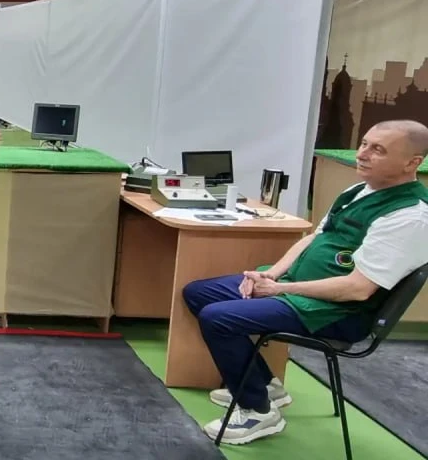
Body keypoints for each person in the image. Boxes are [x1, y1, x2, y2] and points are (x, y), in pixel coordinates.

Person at [183, 119, 428, 445]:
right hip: (297, 288)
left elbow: (357, 289)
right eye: (364, 144)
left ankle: (257, 412)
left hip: (338, 312)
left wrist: (279, 289)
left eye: (378, 150)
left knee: (219, 318)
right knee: (199, 293)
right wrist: (273, 274)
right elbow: (314, 238)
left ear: (412, 162)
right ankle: (264, 385)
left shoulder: (409, 216)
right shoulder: (359, 190)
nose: (362, 154)